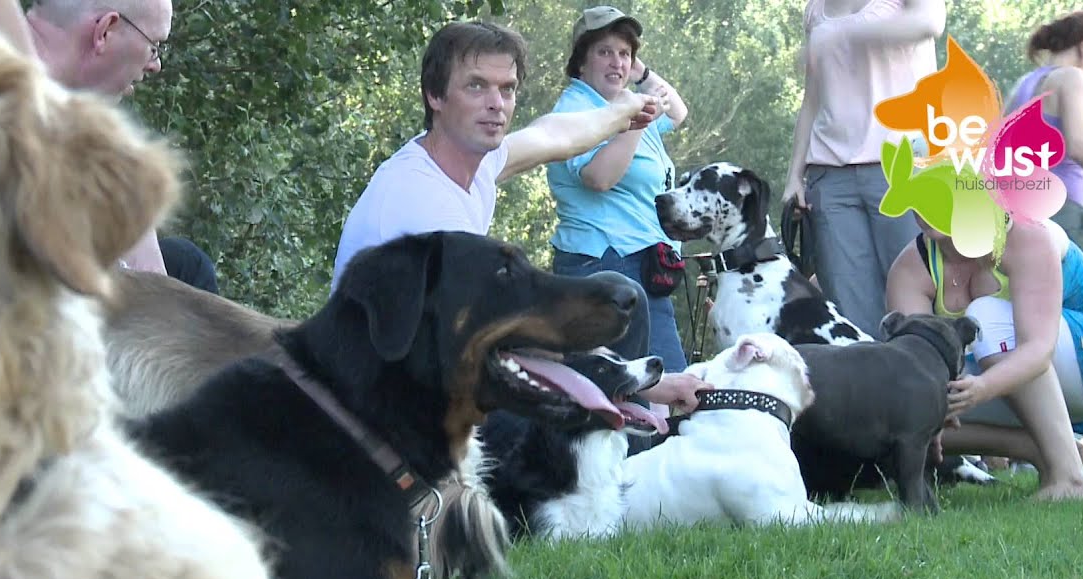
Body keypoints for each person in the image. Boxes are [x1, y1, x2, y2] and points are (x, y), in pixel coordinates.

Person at [332, 19, 707, 410]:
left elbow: (554, 136)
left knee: (616, 299)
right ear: (435, 96)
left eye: (507, 89)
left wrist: (624, 111)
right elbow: (495, 340)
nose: (496, 103)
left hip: (440, 378)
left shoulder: (476, 163)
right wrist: (639, 383)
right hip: (387, 407)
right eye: (476, 86)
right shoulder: (423, 202)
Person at [0, 0, 219, 291]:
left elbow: (148, 267)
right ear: (105, 32)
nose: (155, 65)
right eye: (153, 46)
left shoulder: (77, 120)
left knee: (187, 262)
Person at [885, 216, 1083, 500]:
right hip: (1054, 382)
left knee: (987, 316)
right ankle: (1035, 448)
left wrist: (984, 387)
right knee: (907, 407)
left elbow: (1039, 350)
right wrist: (933, 417)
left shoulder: (1029, 234)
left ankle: (1069, 479)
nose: (927, 208)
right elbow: (916, 373)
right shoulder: (911, 268)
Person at [782, 0, 946, 337]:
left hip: (902, 166)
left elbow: (930, 23)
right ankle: (871, 387)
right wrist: (794, 175)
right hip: (829, 175)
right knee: (851, 311)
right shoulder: (816, 10)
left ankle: (931, 387)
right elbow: (812, 98)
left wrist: (849, 32)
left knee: (916, 300)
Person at [545, 6, 689, 372]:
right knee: (649, 386)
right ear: (581, 62)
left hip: (637, 261)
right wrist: (639, 120)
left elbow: (677, 113)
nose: (617, 62)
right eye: (604, 52)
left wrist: (639, 74)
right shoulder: (577, 108)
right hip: (603, 263)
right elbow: (599, 178)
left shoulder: (618, 104)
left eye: (624, 53)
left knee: (658, 389)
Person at [1005, 10, 1083, 265]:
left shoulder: (1025, 83)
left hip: (1020, 211)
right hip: (1064, 213)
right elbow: (1080, 149)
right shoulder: (1071, 77)